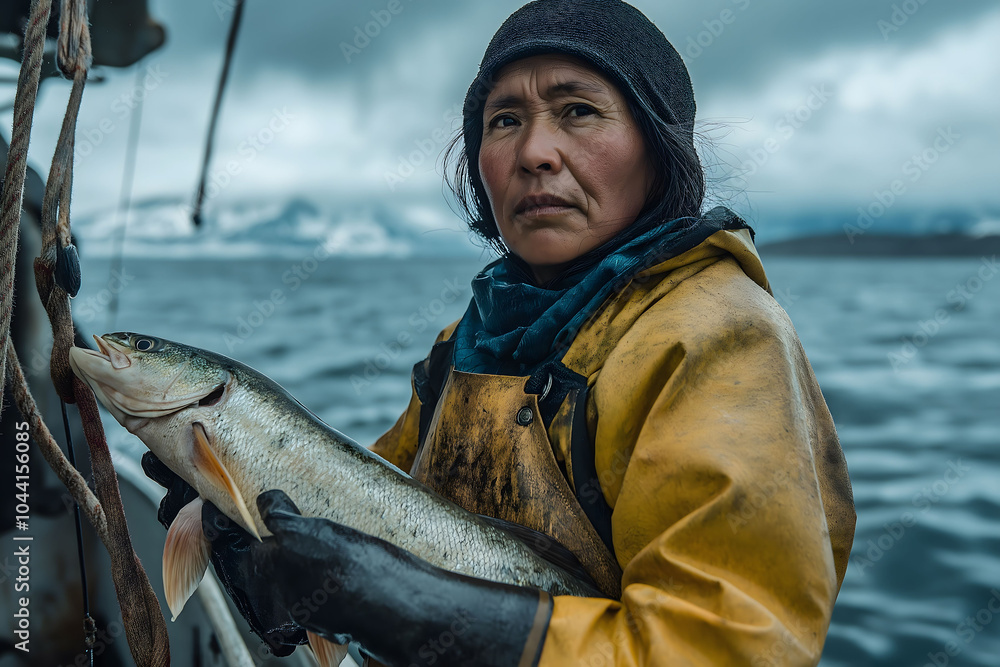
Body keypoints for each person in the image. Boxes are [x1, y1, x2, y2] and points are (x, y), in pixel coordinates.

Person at [144, 1, 856, 665]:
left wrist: (413, 609)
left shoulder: (720, 338)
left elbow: (730, 644)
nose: (535, 152)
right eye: (505, 120)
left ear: (658, 148)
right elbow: (371, 509)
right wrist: (260, 545)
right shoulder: (468, 341)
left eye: (579, 110)